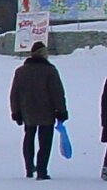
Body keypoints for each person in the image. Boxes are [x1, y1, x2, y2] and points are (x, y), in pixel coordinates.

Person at [9, 41, 68, 180]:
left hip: (27, 110)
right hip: (46, 110)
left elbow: (14, 93)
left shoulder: (21, 71)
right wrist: (61, 110)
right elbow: (57, 93)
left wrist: (15, 111)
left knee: (29, 137)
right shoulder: (50, 71)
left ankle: (29, 167)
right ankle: (42, 170)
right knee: (45, 142)